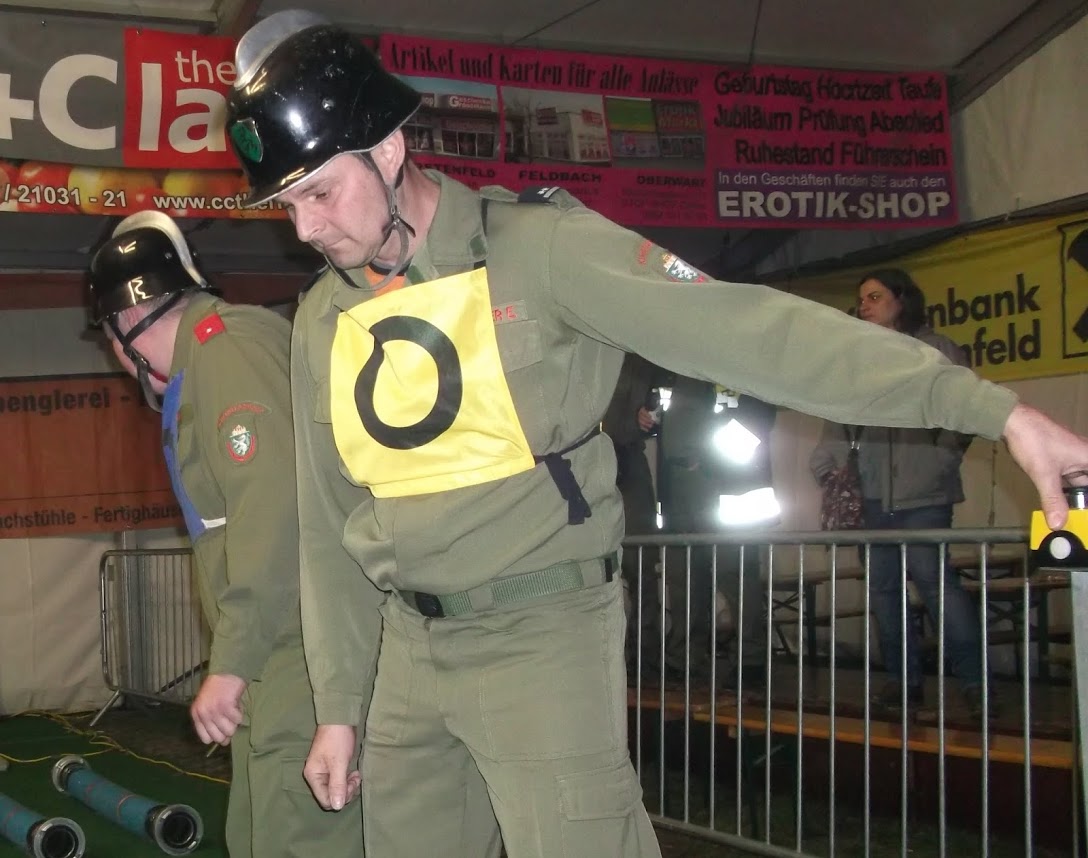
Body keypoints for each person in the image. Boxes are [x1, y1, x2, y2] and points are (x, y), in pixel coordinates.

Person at [224, 11, 1088, 857]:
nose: (306, 229)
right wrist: (339, 706)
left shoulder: (538, 250)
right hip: (406, 656)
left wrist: (992, 411)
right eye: (287, 206)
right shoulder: (321, 319)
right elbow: (330, 526)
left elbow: (750, 331)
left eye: (319, 194)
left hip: (540, 636)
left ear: (387, 150)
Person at [86, 211, 365, 858]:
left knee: (298, 837)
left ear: (128, 322)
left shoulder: (227, 352)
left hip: (299, 651)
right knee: (258, 834)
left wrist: (233, 662)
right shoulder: (209, 361)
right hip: (279, 651)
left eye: (108, 339)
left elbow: (271, 512)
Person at [810, 268, 987, 716]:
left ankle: (975, 684)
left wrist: (941, 458)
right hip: (873, 495)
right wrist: (827, 466)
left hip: (924, 494)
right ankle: (903, 681)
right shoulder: (859, 358)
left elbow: (966, 408)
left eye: (874, 297)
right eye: (862, 299)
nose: (864, 306)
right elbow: (838, 418)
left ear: (902, 299)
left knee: (937, 586)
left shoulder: (937, 350)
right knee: (885, 591)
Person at [657, 377, 768, 685]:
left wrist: (709, 458)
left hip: (730, 487)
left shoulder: (742, 363)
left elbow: (759, 418)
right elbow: (663, 419)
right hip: (680, 488)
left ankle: (750, 661)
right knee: (685, 579)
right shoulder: (674, 371)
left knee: (736, 577)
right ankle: (684, 658)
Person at [601, 352, 662, 668]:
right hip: (588, 458)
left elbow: (661, 401)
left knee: (641, 560)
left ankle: (645, 653)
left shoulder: (643, 354)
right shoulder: (590, 347)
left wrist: (651, 414)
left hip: (627, 456)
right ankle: (603, 650)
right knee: (592, 562)